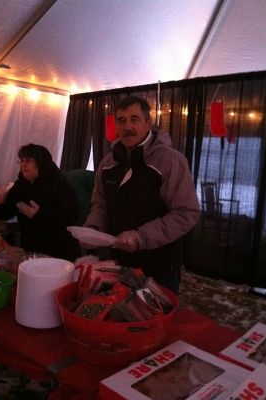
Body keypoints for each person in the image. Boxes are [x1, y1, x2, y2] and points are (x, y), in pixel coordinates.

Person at [81, 96, 200, 293]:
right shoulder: (107, 164)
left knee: (153, 320)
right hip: (117, 262)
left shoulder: (170, 161)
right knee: (117, 315)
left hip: (159, 265)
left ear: (147, 123)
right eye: (121, 120)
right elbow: (100, 204)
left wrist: (140, 237)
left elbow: (186, 213)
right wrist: (93, 228)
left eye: (134, 119)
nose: (128, 127)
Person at [0, 143, 81, 261]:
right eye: (21, 161)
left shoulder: (59, 184)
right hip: (32, 250)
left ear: (41, 162)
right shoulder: (20, 186)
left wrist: (39, 214)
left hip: (60, 252)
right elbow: (5, 214)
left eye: (28, 160)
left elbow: (71, 216)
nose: (23, 164)